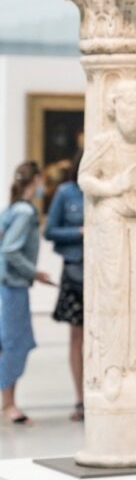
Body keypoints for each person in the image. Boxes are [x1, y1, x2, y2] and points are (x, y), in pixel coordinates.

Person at [0, 161, 53, 424]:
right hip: (13, 286)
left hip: (11, 285)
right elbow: (9, 249)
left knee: (12, 342)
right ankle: (9, 404)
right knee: (15, 344)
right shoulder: (24, 212)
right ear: (38, 179)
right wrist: (33, 271)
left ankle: (8, 402)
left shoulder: (13, 209)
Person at [44, 151, 85, 421]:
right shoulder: (66, 193)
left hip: (103, 270)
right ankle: (80, 399)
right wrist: (78, 233)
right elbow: (49, 230)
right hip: (74, 270)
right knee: (77, 337)